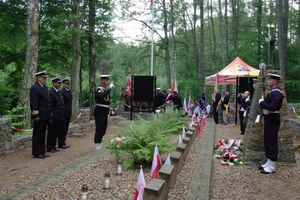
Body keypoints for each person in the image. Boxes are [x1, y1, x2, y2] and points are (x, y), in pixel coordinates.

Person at [258, 73, 283, 174]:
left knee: (272, 141)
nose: (268, 81)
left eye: (270, 80)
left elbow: (273, 107)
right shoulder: (272, 92)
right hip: (269, 118)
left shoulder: (277, 94)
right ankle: (269, 162)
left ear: (275, 81)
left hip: (273, 118)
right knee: (268, 140)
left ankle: (272, 166)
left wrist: (262, 103)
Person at [30, 70, 50, 159]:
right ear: (39, 78)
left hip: (45, 114)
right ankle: (37, 152)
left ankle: (42, 151)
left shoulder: (44, 88)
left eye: (45, 78)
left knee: (42, 134)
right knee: (37, 134)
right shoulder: (35, 88)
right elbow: (34, 102)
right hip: (39, 114)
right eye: (43, 78)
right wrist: (35, 115)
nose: (45, 79)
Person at [94, 75, 114, 151]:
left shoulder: (105, 90)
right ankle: (97, 145)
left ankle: (99, 142)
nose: (108, 82)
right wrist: (109, 89)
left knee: (103, 129)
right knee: (99, 128)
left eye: (108, 80)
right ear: (102, 81)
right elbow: (101, 96)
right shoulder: (99, 89)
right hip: (99, 111)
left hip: (104, 111)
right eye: (106, 80)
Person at [47, 76, 64, 153]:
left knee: (57, 131)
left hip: (59, 115)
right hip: (54, 115)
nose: (59, 84)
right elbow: (50, 105)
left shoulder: (59, 92)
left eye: (60, 83)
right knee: (52, 131)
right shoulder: (51, 92)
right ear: (54, 83)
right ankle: (50, 146)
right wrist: (50, 116)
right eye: (58, 83)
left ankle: (53, 145)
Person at [60, 78, 72, 149]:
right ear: (64, 84)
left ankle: (63, 141)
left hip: (68, 112)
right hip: (64, 112)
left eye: (69, 84)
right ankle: (61, 142)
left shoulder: (69, 92)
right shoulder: (62, 92)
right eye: (67, 84)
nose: (68, 85)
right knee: (62, 128)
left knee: (65, 128)